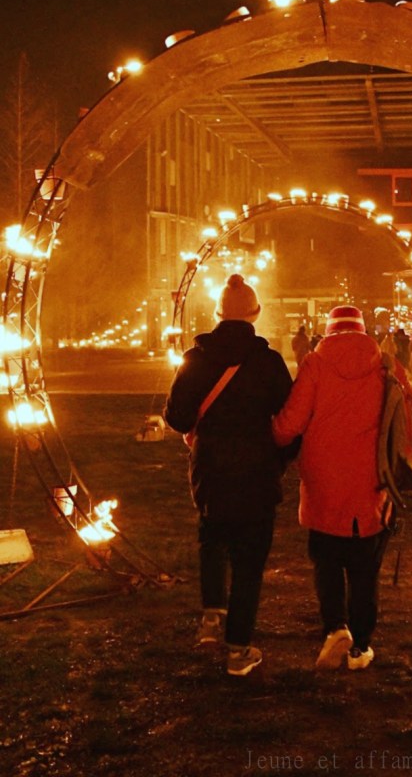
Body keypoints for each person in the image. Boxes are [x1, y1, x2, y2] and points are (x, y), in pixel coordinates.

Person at [164, 274, 292, 677]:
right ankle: (238, 649)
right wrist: (281, 458)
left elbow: (177, 417)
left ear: (217, 313)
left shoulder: (195, 358)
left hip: (211, 469)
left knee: (212, 534)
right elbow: (290, 420)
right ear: (256, 314)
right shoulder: (269, 363)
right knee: (250, 562)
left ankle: (212, 611)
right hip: (257, 472)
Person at [272, 304, 390, 672]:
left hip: (324, 480)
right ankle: (361, 646)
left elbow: (288, 425)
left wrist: (274, 433)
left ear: (328, 331)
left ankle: (335, 627)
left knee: (326, 558)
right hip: (372, 480)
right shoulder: (387, 366)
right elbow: (411, 411)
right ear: (362, 331)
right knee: (365, 566)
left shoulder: (314, 364)